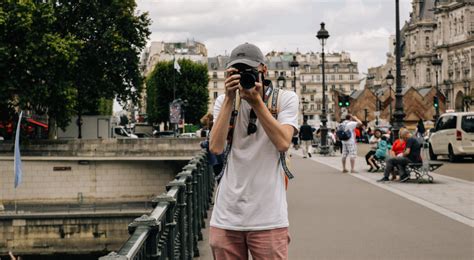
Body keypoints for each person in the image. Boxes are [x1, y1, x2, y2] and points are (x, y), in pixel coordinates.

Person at [209, 43, 298, 259]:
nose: (243, 76)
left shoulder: (285, 99)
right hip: (226, 216)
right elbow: (215, 147)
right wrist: (230, 98)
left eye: (248, 70)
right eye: (237, 71)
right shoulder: (224, 101)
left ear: (263, 70)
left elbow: (283, 142)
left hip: (268, 216)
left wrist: (257, 102)